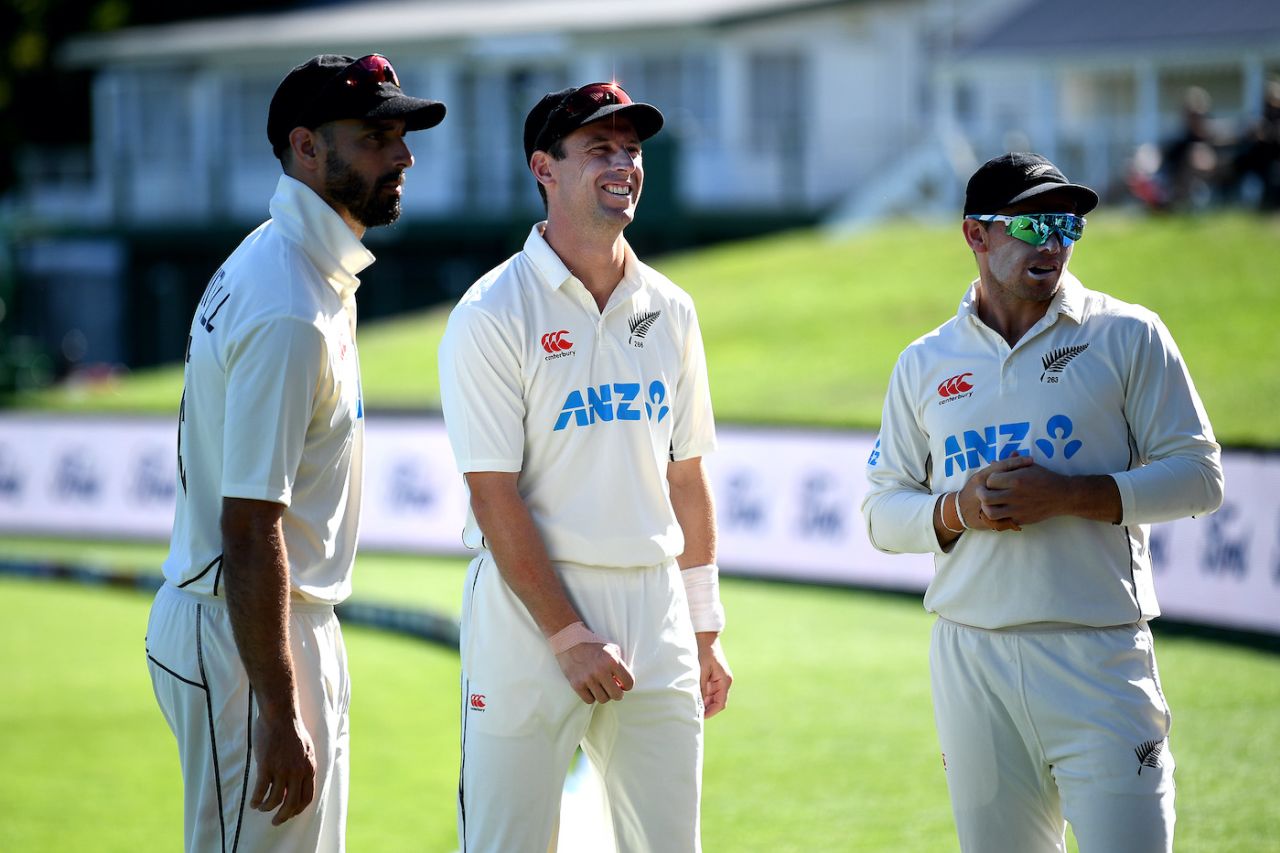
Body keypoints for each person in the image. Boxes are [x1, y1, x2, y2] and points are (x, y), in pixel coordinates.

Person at [862, 152, 1224, 853]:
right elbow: (881, 512)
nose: (1053, 242)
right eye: (1033, 224)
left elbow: (1199, 476)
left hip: (1099, 653)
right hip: (971, 658)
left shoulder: (1128, 334)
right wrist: (957, 508)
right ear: (977, 235)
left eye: (1067, 225)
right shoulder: (924, 361)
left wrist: (1069, 496)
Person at [144, 54, 444, 851]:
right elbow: (248, 527)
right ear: (306, 147)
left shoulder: (296, 263)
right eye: (378, 136)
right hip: (245, 635)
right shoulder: (290, 303)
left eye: (401, 135)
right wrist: (281, 710)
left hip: (263, 626)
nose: (404, 155)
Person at [438, 81, 733, 853]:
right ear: (545, 167)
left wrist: (704, 627)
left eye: (632, 149)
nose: (624, 163)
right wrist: (566, 632)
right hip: (529, 615)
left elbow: (687, 476)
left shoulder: (671, 307)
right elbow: (493, 493)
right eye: (600, 148)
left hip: (654, 604)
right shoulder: (491, 311)